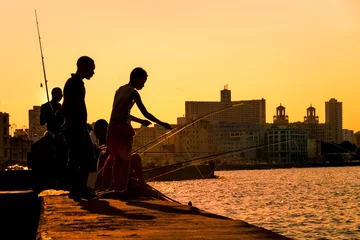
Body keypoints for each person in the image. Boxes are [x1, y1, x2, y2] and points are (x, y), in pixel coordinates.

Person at [102, 67, 172, 193]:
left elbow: (122, 113)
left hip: (112, 129)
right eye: (143, 82)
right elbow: (146, 113)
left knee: (116, 159)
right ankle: (122, 189)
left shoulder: (120, 90)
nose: (143, 85)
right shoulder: (133, 93)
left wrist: (140, 122)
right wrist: (162, 123)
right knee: (126, 159)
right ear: (136, 78)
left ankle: (116, 188)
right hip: (123, 130)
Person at [62, 56, 97, 200]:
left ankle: (79, 189)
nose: (93, 73)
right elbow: (68, 107)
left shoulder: (78, 83)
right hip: (75, 127)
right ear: (82, 66)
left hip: (78, 126)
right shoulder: (73, 83)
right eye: (91, 69)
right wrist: (75, 124)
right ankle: (79, 190)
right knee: (82, 158)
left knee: (81, 158)